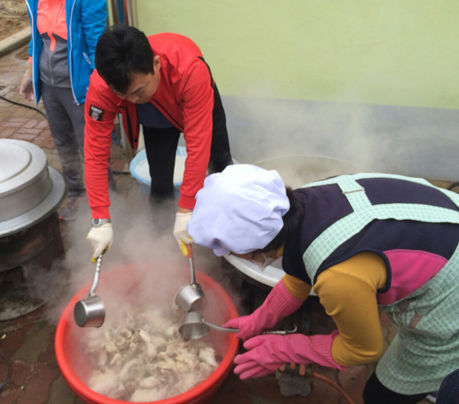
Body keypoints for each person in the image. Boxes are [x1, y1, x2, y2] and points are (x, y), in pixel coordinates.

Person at [187, 164, 459, 404]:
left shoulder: (339, 277)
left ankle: (441, 379)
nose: (229, 255)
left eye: (230, 250)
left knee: (379, 396)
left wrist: (282, 349)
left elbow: (363, 349)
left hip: (449, 299)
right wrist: (259, 319)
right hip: (446, 221)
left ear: (250, 248)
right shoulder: (303, 200)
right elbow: (298, 277)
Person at [84, 24, 233, 259]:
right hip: (156, 119)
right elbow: (95, 155)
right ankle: (161, 246)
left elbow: (197, 147)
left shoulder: (190, 70)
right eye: (123, 95)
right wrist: (100, 218)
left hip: (198, 101)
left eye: (139, 90)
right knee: (160, 180)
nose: (132, 100)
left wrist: (185, 209)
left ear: (156, 63)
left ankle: (225, 238)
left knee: (221, 172)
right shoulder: (102, 87)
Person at [21, 0, 108, 221]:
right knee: (63, 144)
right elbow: (35, 38)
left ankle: (108, 202)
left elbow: (98, 48)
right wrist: (30, 74)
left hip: (79, 87)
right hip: (49, 85)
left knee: (92, 148)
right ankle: (77, 193)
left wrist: (99, 91)